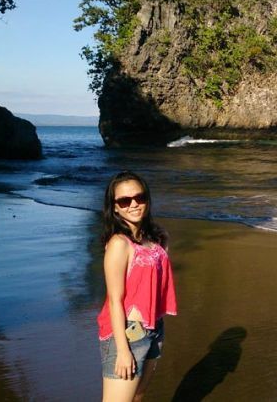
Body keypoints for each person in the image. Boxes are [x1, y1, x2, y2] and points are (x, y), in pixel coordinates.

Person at [97, 171, 177, 401]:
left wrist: (164, 241)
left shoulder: (153, 238)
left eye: (139, 197)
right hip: (128, 333)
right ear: (115, 208)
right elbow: (114, 299)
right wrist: (122, 350)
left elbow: (157, 279)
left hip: (154, 327)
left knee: (138, 397)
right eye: (124, 200)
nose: (133, 204)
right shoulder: (118, 244)